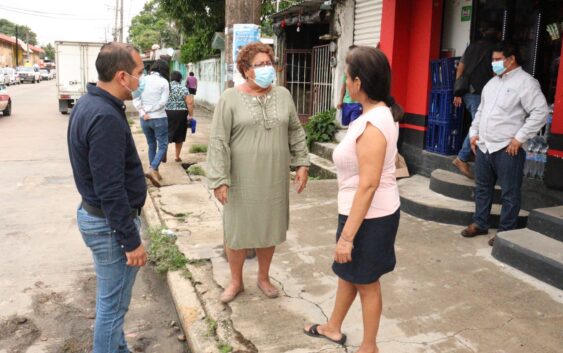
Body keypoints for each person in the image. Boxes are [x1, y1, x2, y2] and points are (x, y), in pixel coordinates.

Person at [304, 46, 402, 353]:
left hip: (369, 217)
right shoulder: (373, 114)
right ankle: (333, 326)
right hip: (359, 213)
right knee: (348, 274)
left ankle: (369, 347)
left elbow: (368, 185)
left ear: (359, 82)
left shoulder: (374, 123)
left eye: (347, 77)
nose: (345, 84)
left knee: (366, 282)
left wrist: (347, 237)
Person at [207, 42, 310, 304]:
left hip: (274, 178)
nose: (267, 69)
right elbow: (219, 140)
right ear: (245, 69)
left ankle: (263, 278)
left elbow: (295, 131)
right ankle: (235, 281)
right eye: (260, 65)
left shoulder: (283, 95)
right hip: (240, 180)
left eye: (269, 63)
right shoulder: (229, 98)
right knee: (237, 231)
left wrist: (302, 163)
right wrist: (220, 179)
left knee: (269, 227)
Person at [67, 42, 148, 353]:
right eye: (139, 73)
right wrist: (131, 240)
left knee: (112, 304)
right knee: (112, 308)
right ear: (122, 76)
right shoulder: (104, 117)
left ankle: (118, 348)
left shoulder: (90, 104)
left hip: (100, 219)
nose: (142, 80)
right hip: (109, 226)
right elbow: (110, 188)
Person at [462, 41, 548, 245]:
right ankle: (480, 223)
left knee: (509, 192)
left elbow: (541, 112)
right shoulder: (492, 84)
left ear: (511, 60)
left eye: (497, 60)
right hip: (484, 145)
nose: (494, 64)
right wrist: (474, 134)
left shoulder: (526, 83)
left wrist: (520, 138)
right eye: (493, 60)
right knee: (483, 188)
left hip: (507, 148)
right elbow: (480, 112)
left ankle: (505, 231)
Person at [452, 27, 499, 179]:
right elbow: (495, 73)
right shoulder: (495, 50)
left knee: (477, 124)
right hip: (480, 93)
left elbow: (460, 68)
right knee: (478, 126)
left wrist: (458, 92)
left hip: (467, 92)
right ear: (498, 34)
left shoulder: (472, 47)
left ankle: (467, 154)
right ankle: (462, 157)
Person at [133, 59, 170, 187]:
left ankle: (155, 171)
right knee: (163, 145)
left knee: (151, 144)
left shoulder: (142, 80)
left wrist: (144, 112)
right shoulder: (164, 82)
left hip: (144, 119)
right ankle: (152, 168)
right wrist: (150, 110)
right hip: (159, 117)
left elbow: (135, 98)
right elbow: (163, 102)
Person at [166, 71, 194, 162]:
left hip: (167, 112)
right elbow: (189, 102)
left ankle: (163, 154)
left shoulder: (166, 87)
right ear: (180, 79)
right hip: (181, 113)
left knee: (166, 134)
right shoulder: (183, 89)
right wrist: (191, 115)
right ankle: (177, 156)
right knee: (179, 135)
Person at [337, 45, 362, 126]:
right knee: (346, 124)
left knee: (354, 125)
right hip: (347, 102)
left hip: (358, 103)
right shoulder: (347, 70)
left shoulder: (363, 70)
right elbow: (343, 86)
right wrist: (340, 100)